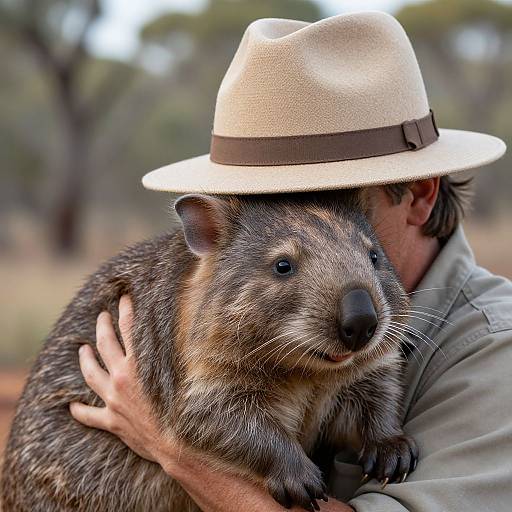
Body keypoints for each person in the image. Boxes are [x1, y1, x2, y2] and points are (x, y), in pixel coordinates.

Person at [70, 12, 511, 512]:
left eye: (341, 201)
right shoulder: (230, 307)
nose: (319, 227)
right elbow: (217, 396)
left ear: (420, 195)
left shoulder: (495, 352)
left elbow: (354, 399)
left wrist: (173, 449)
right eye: (267, 200)